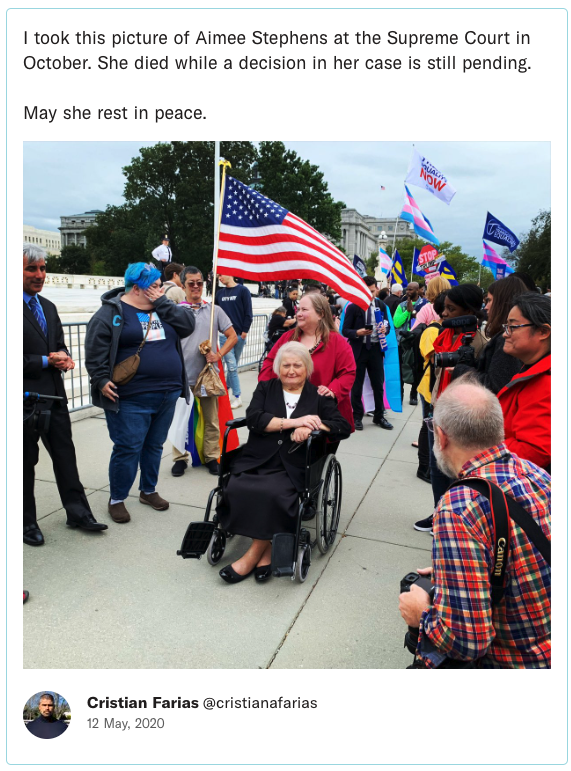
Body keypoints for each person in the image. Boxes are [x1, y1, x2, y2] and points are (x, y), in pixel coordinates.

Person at [399, 376, 550, 669]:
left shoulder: (459, 507)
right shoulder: (536, 475)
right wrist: (467, 566)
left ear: (441, 438)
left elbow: (467, 641)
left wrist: (421, 614)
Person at [217, 342, 351, 583]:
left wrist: (313, 426)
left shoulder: (318, 396)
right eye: (285, 365)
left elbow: (343, 427)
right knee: (237, 487)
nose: (291, 370)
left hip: (295, 464)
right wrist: (294, 422)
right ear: (278, 368)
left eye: (297, 365)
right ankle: (266, 549)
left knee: (274, 493)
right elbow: (254, 418)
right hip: (258, 458)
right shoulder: (266, 388)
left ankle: (252, 555)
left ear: (307, 368)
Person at [85, 263, 195, 523]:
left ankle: (148, 490)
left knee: (154, 445)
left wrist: (164, 303)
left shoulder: (164, 308)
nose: (161, 290)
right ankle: (117, 498)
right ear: (137, 288)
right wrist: (100, 379)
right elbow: (95, 349)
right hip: (131, 397)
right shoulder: (111, 313)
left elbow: (188, 325)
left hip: (167, 393)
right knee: (128, 447)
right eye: (155, 286)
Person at [23, 243, 107, 546]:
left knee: (65, 457)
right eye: (31, 268)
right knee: (23, 464)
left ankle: (78, 513)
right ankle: (25, 523)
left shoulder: (47, 306)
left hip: (55, 399)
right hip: (23, 401)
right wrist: (47, 361)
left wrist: (65, 356)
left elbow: (58, 344)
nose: (39, 274)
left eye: (43, 268)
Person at [414, 283, 487, 533]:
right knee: (437, 467)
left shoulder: (481, 341)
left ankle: (454, 523)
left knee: (458, 471)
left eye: (451, 309)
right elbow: (436, 361)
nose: (443, 314)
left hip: (463, 415)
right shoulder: (445, 333)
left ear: (469, 310)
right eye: (444, 308)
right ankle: (439, 514)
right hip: (439, 406)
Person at [171, 266, 238, 477]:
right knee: (180, 419)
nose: (196, 287)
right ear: (183, 285)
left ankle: (211, 457)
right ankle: (179, 458)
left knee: (211, 420)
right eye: (191, 283)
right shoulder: (177, 311)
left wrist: (218, 355)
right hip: (182, 375)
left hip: (208, 376)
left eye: (200, 282)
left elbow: (232, 336)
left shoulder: (214, 311)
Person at [260, 293, 356, 433]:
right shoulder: (288, 337)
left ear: (320, 314)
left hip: (323, 413)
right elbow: (269, 363)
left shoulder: (337, 342)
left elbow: (348, 373)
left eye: (304, 310)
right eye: (298, 310)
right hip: (286, 410)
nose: (298, 314)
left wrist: (332, 391)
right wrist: (268, 389)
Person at [498, 292, 551, 471]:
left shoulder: (546, 381)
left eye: (513, 327)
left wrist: (480, 452)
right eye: (507, 326)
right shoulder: (532, 368)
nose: (505, 334)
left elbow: (534, 450)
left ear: (543, 332)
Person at [457, 275, 527, 394]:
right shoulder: (510, 336)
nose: (486, 307)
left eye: (489, 301)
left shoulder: (506, 340)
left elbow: (495, 387)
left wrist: (462, 371)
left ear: (502, 303)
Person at [342, 276, 393, 431]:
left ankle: (379, 415)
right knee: (356, 385)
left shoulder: (381, 305)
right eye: (367, 291)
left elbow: (387, 325)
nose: (370, 295)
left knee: (378, 384)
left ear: (377, 289)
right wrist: (357, 332)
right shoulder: (353, 307)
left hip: (376, 349)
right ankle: (357, 416)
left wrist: (385, 329)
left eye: (372, 291)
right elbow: (345, 330)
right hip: (359, 349)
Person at [415, 291, 447, 483]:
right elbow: (435, 359)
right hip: (429, 388)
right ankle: (424, 467)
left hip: (440, 389)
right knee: (428, 427)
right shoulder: (432, 331)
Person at [215, 274, 253, 409]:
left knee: (233, 366)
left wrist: (244, 331)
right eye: (217, 275)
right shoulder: (219, 293)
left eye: (220, 275)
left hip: (239, 335)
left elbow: (248, 311)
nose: (219, 278)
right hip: (224, 336)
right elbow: (215, 312)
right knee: (231, 366)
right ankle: (237, 396)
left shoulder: (243, 291)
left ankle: (227, 391)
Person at [393, 282, 429, 405]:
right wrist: (407, 311)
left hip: (416, 341)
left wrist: (413, 311)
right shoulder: (401, 304)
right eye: (407, 289)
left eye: (411, 289)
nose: (408, 291)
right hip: (403, 342)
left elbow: (422, 322)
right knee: (401, 367)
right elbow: (396, 323)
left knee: (416, 369)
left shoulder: (425, 305)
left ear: (418, 290)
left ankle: (413, 394)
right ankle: (400, 394)